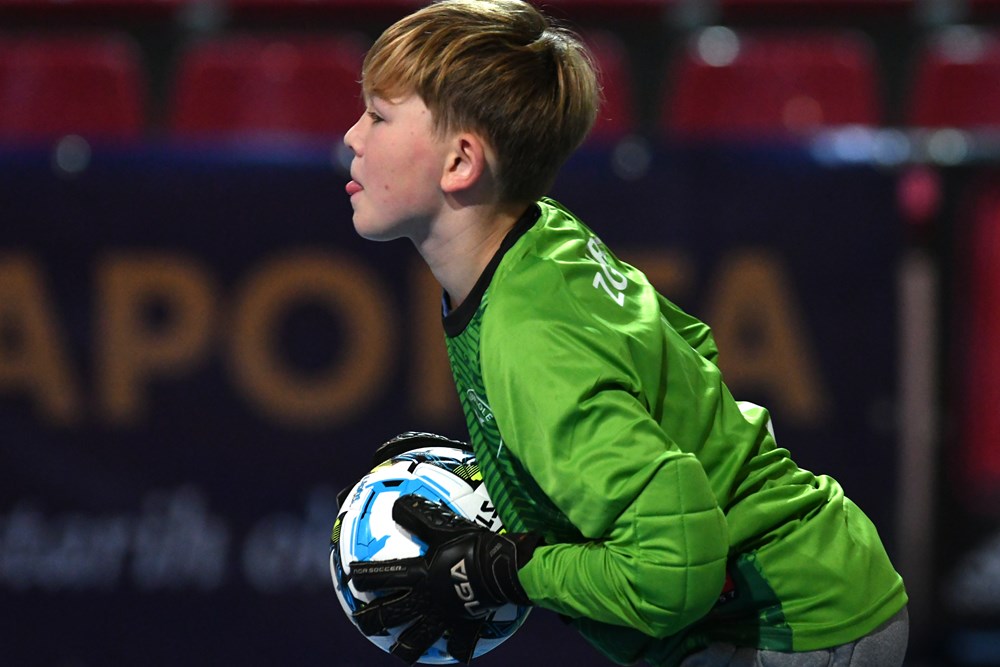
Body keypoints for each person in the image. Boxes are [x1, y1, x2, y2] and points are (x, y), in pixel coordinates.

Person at [339, 1, 909, 665]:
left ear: (461, 162)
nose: (352, 136)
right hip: (823, 584)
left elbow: (675, 572)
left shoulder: (531, 339)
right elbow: (686, 351)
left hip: (799, 630)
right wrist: (525, 460)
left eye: (378, 116)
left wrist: (509, 570)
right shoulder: (541, 235)